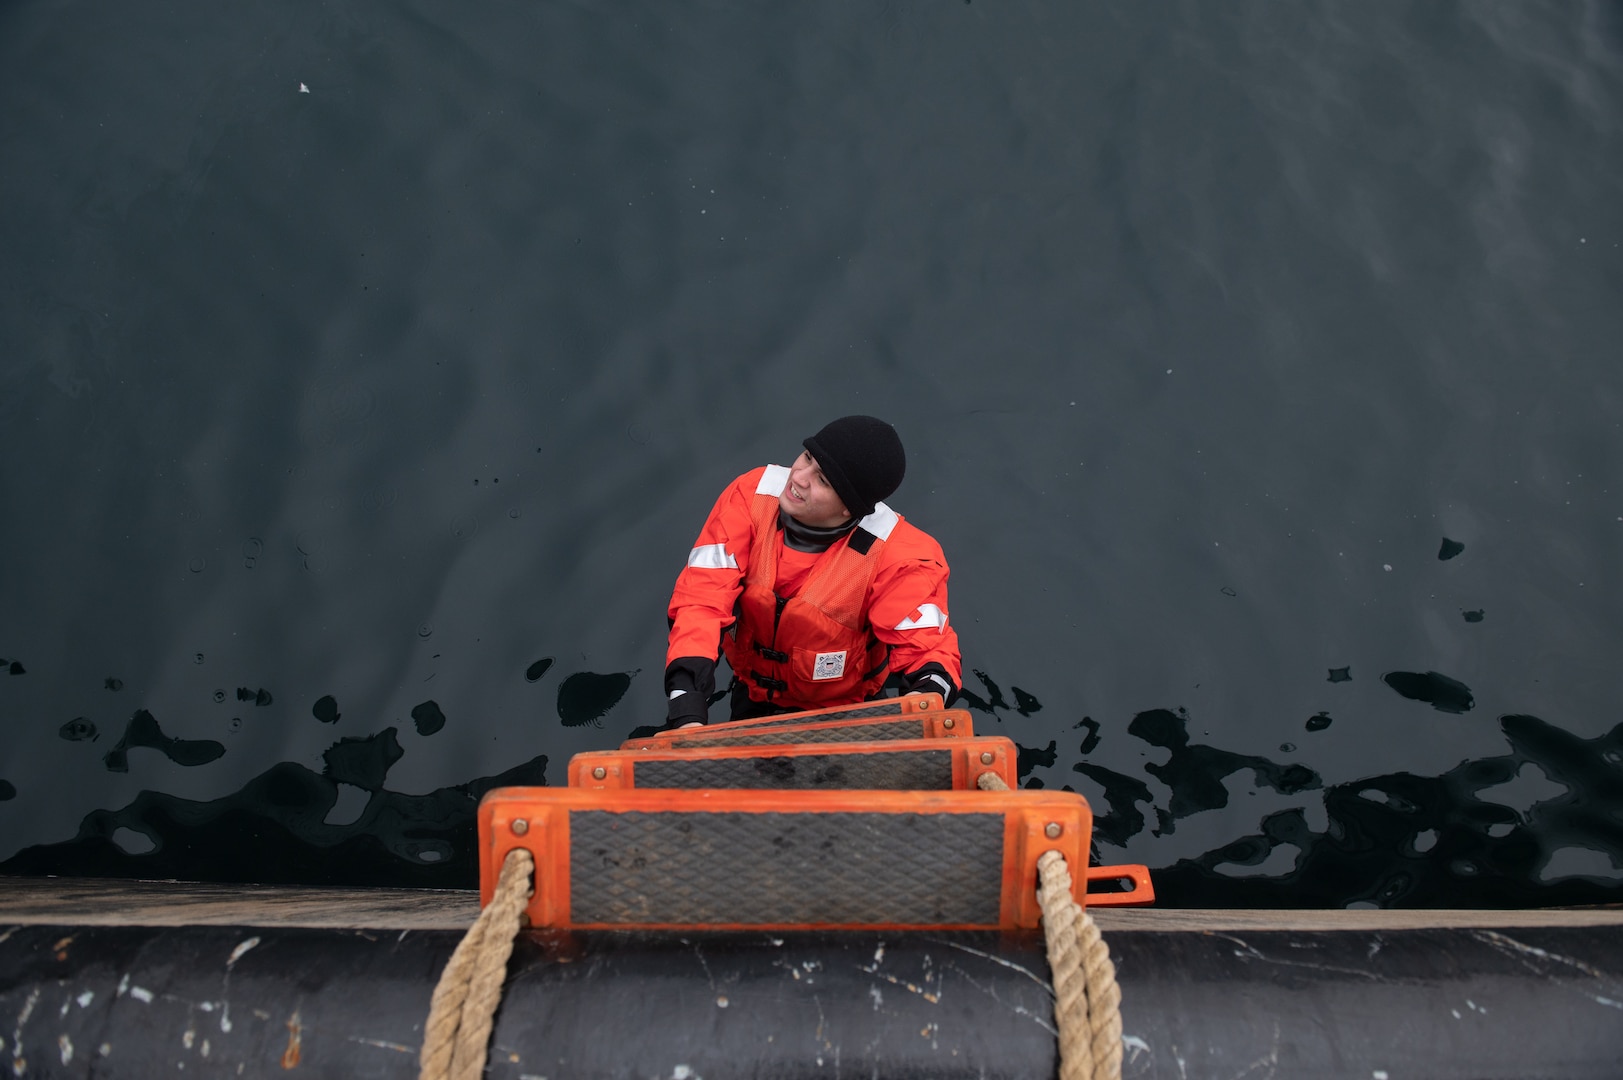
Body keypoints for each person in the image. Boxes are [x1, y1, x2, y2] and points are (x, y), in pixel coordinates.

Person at [664, 415, 963, 727]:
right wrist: (686, 700)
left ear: (850, 506)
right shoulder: (748, 496)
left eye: (822, 479)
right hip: (753, 696)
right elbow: (701, 600)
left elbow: (929, 650)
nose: (799, 477)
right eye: (807, 457)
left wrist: (927, 698)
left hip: (844, 712)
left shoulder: (900, 557)